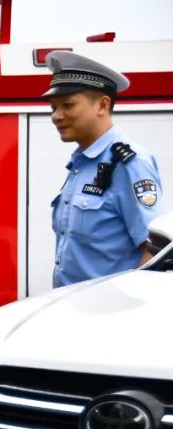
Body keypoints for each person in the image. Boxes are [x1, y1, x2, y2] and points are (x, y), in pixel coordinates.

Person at [46, 50, 163, 288]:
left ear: (102, 105)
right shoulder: (81, 164)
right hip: (69, 308)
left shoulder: (129, 163)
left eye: (67, 105)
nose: (56, 116)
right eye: (53, 107)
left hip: (108, 314)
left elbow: (154, 251)